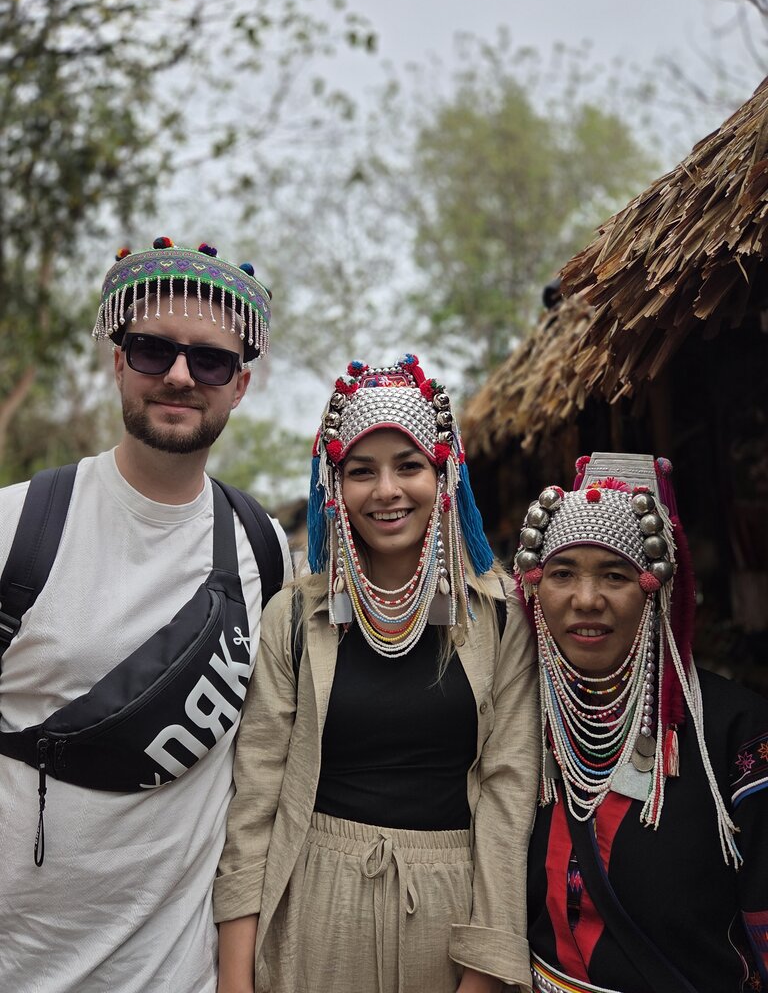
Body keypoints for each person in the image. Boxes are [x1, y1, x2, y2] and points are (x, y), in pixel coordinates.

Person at [0, 238, 292, 993]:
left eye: (212, 361)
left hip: (179, 974)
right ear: (118, 361)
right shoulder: (15, 527)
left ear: (241, 385)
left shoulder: (263, 550)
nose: (181, 377)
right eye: (154, 350)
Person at [214, 355, 540, 993]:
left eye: (409, 466)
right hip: (313, 908)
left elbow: (509, 798)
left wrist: (487, 969)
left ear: (444, 475)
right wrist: (235, 979)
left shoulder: (501, 616)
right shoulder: (294, 617)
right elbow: (255, 805)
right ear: (334, 488)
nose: (386, 491)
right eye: (361, 471)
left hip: (451, 915)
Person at [512, 452, 768, 993]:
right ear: (534, 588)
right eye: (562, 574)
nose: (586, 600)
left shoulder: (734, 729)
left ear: (656, 591)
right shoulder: (518, 720)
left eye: (615, 575)